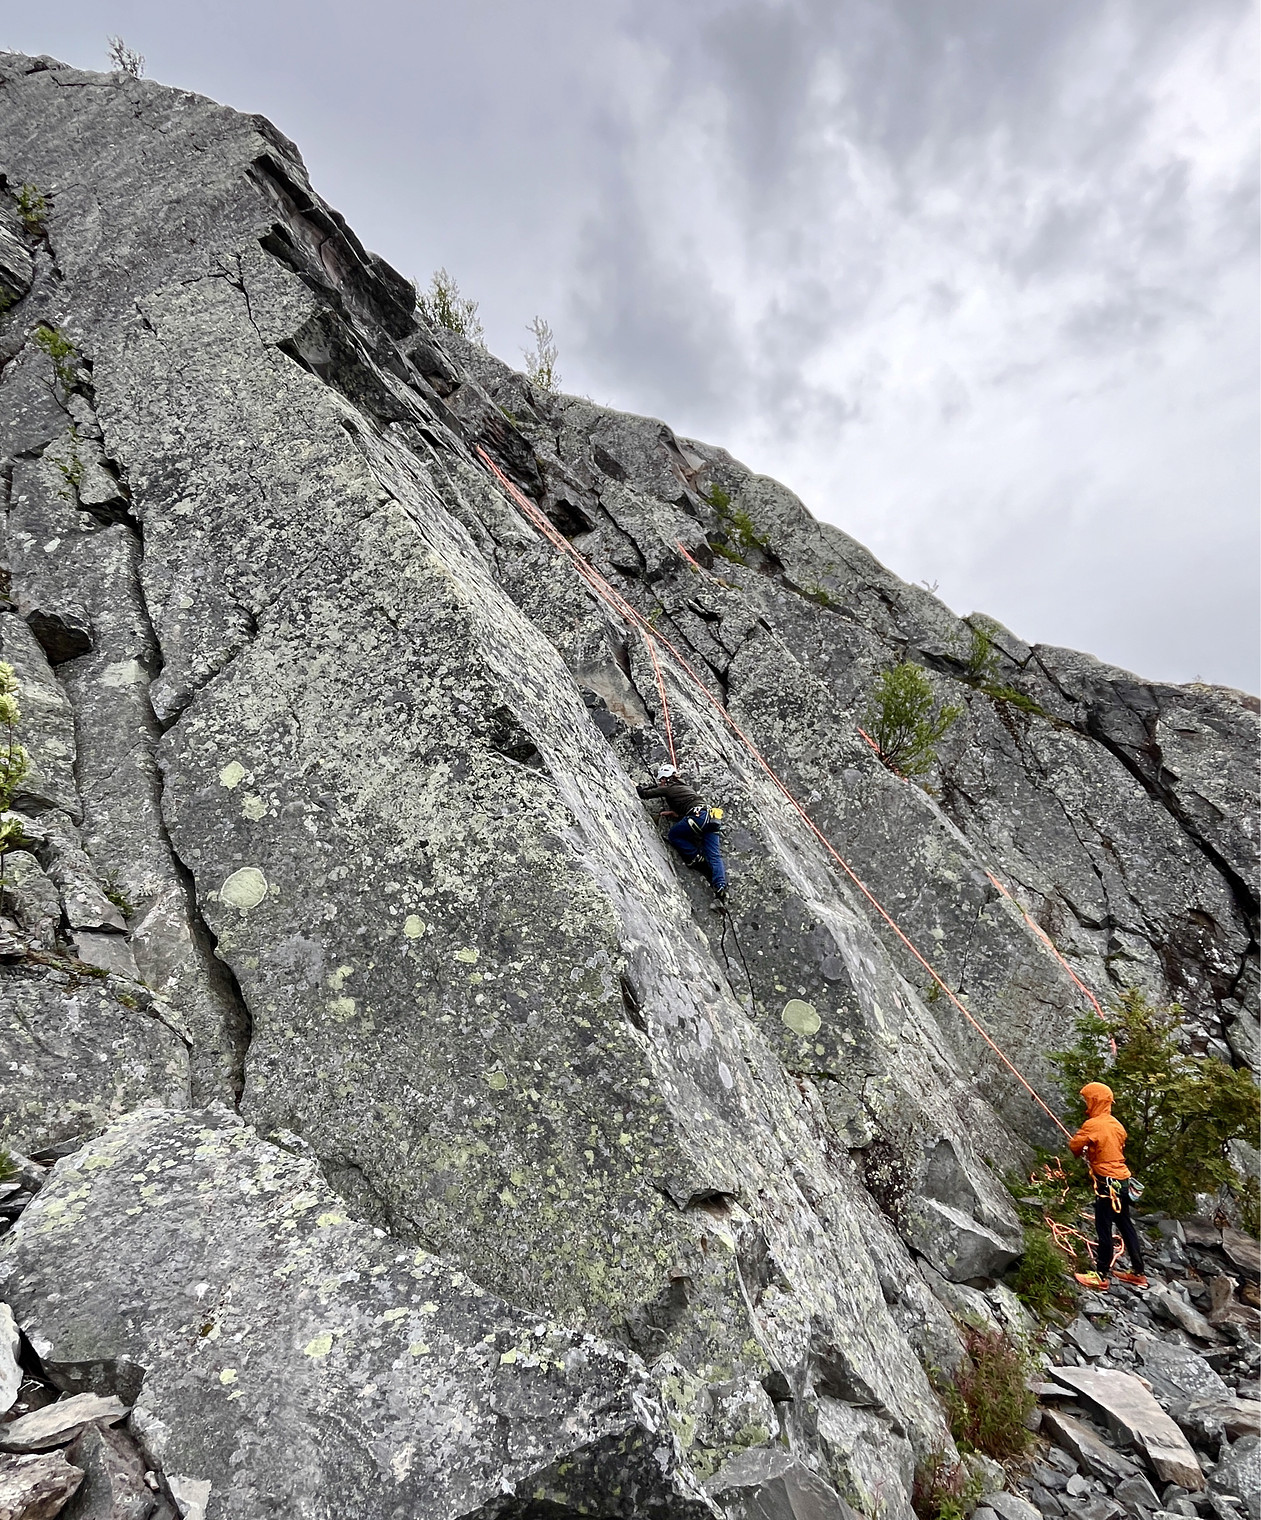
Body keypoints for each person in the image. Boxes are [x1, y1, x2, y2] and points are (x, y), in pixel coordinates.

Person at [1068, 1081, 1148, 1290]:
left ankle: (1101, 1274)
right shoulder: (1117, 1125)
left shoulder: (1093, 1125)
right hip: (1123, 1181)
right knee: (1125, 1224)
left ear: (1094, 1101)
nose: (1086, 1104)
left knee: (1103, 1227)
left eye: (1087, 1100)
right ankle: (1138, 1272)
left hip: (1107, 1185)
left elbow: (1074, 1146)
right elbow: (1112, 1148)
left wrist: (1085, 1150)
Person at [636, 763, 728, 899]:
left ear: (665, 779)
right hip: (711, 818)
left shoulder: (669, 788)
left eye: (661, 780)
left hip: (697, 816)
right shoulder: (685, 788)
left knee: (674, 835)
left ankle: (695, 857)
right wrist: (677, 815)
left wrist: (636, 786)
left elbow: (643, 794)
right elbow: (689, 804)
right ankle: (720, 886)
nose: (660, 783)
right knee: (714, 855)